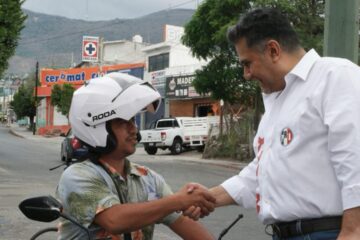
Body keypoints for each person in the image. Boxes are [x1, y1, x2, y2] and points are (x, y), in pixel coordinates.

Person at [188, 7, 360, 240]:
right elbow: (259, 175)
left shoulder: (335, 76)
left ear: (273, 50)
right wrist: (208, 197)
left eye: (247, 63)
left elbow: (355, 161)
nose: (246, 74)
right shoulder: (276, 102)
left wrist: (353, 231)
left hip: (328, 233)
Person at [56, 72, 216, 240]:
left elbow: (182, 221)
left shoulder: (148, 180)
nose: (134, 129)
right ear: (96, 127)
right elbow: (114, 220)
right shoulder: (77, 176)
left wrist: (189, 200)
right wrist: (179, 201)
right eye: (123, 122)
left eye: (132, 120)